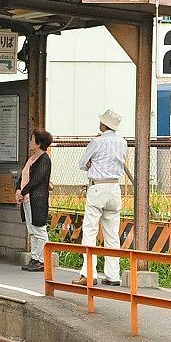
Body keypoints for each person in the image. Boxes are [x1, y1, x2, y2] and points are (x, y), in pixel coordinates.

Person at [73, 109, 128, 286]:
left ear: (104, 124)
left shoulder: (97, 142)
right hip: (114, 188)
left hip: (97, 187)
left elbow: (82, 164)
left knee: (90, 231)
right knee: (112, 233)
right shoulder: (123, 142)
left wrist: (91, 164)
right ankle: (113, 276)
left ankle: (89, 274)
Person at [16, 129, 53, 272]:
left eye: (32, 139)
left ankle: (42, 260)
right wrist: (18, 190)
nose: (30, 141)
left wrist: (22, 191)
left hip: (37, 199)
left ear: (39, 143)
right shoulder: (31, 158)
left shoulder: (44, 159)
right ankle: (35, 258)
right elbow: (23, 177)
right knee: (32, 230)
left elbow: (37, 179)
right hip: (27, 199)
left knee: (39, 230)